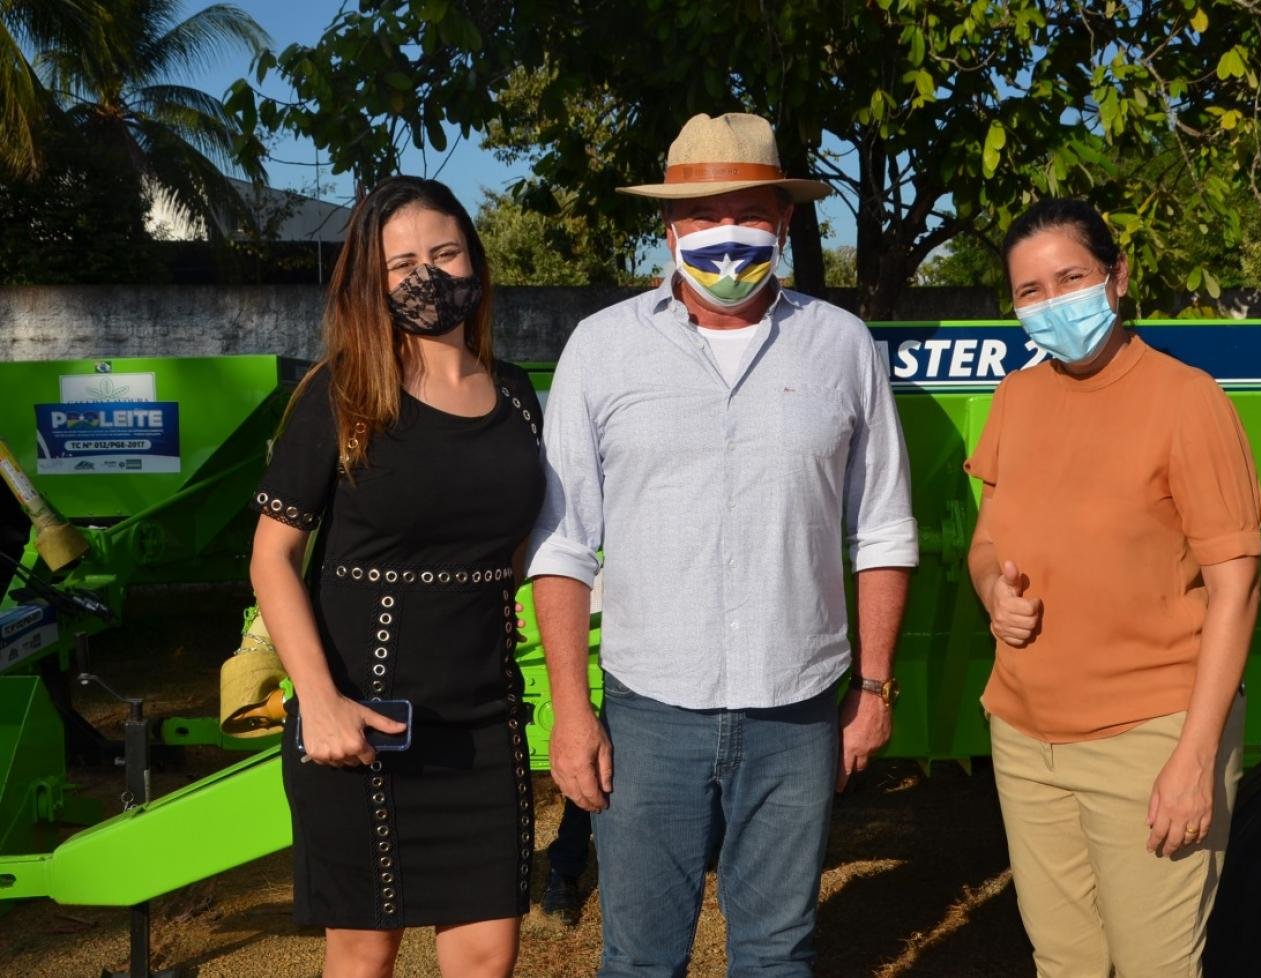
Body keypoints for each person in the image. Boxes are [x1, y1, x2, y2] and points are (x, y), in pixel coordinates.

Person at [527, 112, 918, 977]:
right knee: (639, 957)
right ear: (669, 227)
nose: (725, 232)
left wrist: (874, 686)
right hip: (649, 710)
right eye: (702, 214)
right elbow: (562, 544)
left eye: (748, 212)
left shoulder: (841, 345)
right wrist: (571, 710)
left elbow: (883, 527)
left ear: (784, 220)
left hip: (797, 710)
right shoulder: (601, 348)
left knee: (779, 953)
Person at [249, 176, 543, 978]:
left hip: (484, 721)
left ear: (475, 260)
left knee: (487, 956)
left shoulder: (517, 394)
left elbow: (519, 537)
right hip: (364, 722)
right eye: (402, 264)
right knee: (364, 954)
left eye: (445, 253)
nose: (428, 276)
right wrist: (318, 702)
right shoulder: (340, 391)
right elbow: (271, 556)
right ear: (370, 283)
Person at [965, 197, 1261, 977]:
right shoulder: (1016, 398)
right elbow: (987, 541)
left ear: (1117, 276)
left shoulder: (1186, 399)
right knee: (1063, 962)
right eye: (1031, 291)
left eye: (1071, 278)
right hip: (1025, 739)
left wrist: (1194, 760)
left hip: (1149, 741)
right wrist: (994, 592)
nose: (1053, 303)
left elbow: (1236, 588)